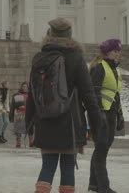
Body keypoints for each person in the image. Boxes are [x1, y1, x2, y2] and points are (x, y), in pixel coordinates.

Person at [26, 18, 106, 193]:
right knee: (68, 168)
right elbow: (88, 95)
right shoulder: (76, 58)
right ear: (69, 35)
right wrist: (96, 125)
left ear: (50, 34)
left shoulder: (39, 57)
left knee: (47, 166)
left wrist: (29, 123)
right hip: (70, 122)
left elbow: (32, 93)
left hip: (45, 120)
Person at [88, 38, 125, 193]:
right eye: (115, 51)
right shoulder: (100, 68)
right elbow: (94, 93)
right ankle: (103, 187)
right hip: (101, 115)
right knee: (101, 149)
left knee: (102, 149)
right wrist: (99, 114)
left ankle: (93, 184)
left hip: (111, 114)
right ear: (107, 52)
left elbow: (115, 93)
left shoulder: (115, 69)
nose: (117, 54)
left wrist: (120, 114)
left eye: (118, 51)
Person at [10, 82, 32, 148]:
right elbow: (12, 106)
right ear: (21, 87)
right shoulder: (16, 95)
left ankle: (31, 142)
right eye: (24, 86)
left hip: (29, 114)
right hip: (19, 114)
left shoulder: (31, 95)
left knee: (30, 128)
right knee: (18, 128)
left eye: (26, 87)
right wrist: (11, 115)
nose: (25, 88)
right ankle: (18, 142)